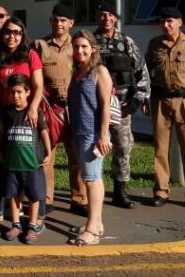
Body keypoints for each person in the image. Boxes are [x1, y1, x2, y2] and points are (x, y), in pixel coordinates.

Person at [146, 7, 185, 210]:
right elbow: (146, 72)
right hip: (160, 101)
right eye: (163, 21)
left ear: (180, 22)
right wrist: (144, 98)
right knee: (160, 150)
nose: (166, 25)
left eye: (170, 21)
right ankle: (161, 191)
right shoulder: (154, 44)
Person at [93, 2, 151, 209]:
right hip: (95, 107)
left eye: (110, 15)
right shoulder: (89, 42)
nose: (106, 18)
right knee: (94, 148)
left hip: (123, 107)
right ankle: (92, 190)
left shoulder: (126, 42)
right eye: (102, 15)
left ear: (115, 18)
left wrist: (138, 100)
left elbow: (142, 72)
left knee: (123, 148)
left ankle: (120, 191)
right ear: (97, 17)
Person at [33, 4, 87, 216]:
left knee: (76, 156)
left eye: (63, 20)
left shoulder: (79, 46)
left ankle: (79, 199)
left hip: (74, 109)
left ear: (71, 23)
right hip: (49, 109)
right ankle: (47, 198)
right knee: (48, 155)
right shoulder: (40, 45)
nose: (59, 24)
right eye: (55, 20)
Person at [66, 30, 113, 246]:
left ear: (93, 48)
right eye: (76, 47)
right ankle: (97, 223)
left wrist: (103, 136)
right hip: (78, 131)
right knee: (90, 178)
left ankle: (92, 230)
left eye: (84, 46)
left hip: (93, 133)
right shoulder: (78, 71)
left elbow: (105, 106)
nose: (80, 50)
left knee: (92, 180)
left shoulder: (99, 71)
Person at [0, 74, 50, 244]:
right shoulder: (7, 113)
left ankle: (33, 226)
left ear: (28, 92)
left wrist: (48, 152)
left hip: (31, 164)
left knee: (34, 196)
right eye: (13, 92)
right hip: (12, 163)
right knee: (13, 195)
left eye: (20, 92)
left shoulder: (35, 111)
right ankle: (16, 224)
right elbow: (2, 133)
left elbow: (43, 131)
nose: (16, 96)